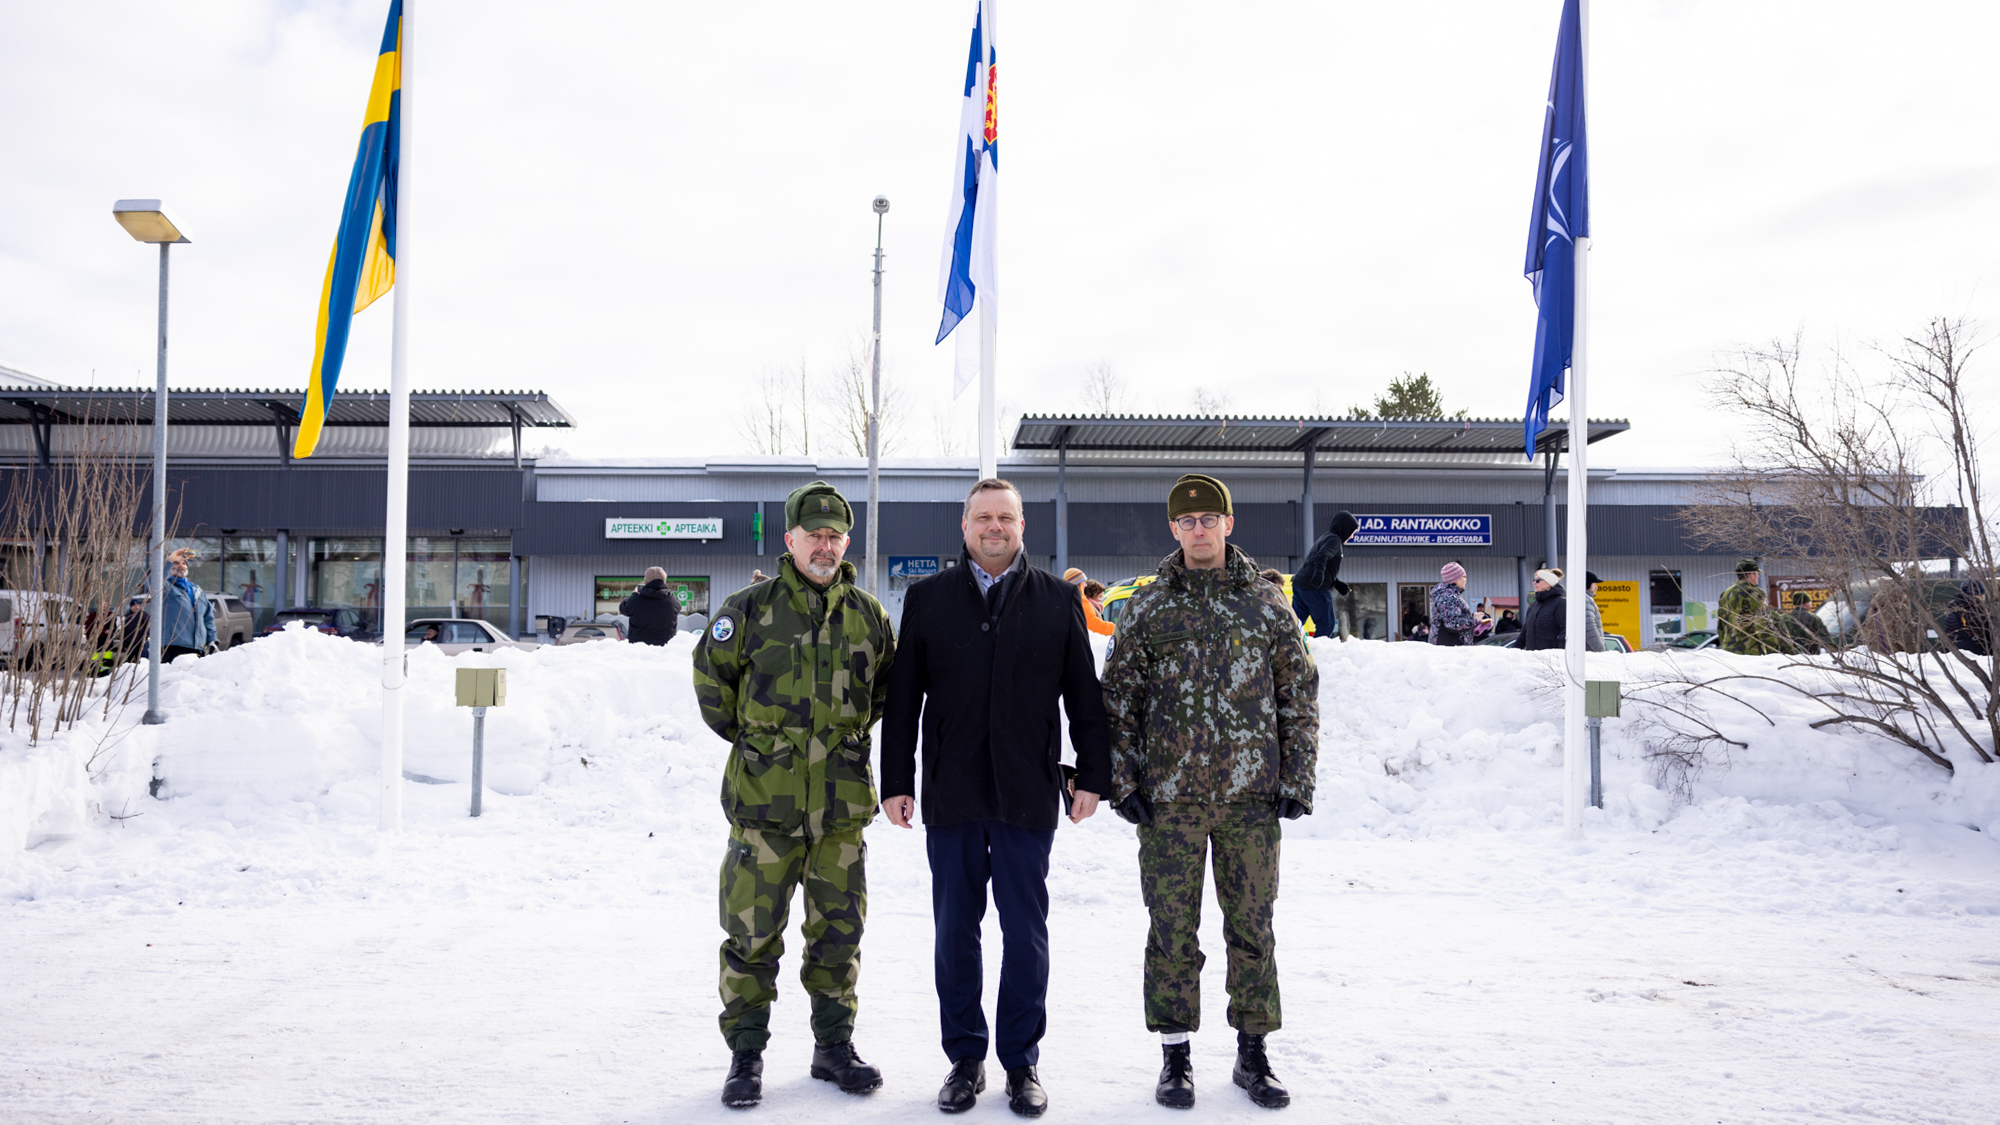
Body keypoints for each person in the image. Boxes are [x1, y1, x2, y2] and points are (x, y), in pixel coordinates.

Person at [882, 478, 1114, 1117]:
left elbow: (1083, 696)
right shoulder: (927, 599)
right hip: (952, 792)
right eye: (982, 517)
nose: (994, 527)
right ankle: (964, 1058)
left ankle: (1021, 1060)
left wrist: (1093, 775)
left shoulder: (1057, 599)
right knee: (955, 932)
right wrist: (896, 781)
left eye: (1005, 518)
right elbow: (903, 700)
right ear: (964, 527)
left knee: (1025, 932)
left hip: (1026, 791)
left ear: (1020, 526)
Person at [1100, 473, 1318, 1111]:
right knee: (1172, 928)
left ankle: (1253, 1053)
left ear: (1228, 523)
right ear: (1174, 529)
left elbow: (1298, 692)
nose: (1199, 530)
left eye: (1209, 519)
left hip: (1252, 798)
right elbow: (1118, 700)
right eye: (1187, 521)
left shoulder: (1267, 603)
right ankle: (1175, 1055)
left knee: (1253, 926)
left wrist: (1297, 777)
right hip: (1169, 800)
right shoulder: (1148, 605)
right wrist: (1124, 779)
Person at [692, 481, 897, 1109]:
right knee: (751, 937)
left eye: (835, 536)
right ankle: (745, 1055)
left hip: (840, 813)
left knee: (839, 936)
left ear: (846, 543)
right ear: (790, 539)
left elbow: (881, 694)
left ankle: (834, 1047)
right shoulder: (749, 609)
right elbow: (712, 688)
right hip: (764, 809)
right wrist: (764, 748)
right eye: (814, 535)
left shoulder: (869, 615)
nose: (825, 546)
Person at [1291, 510, 1359, 639]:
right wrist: (1319, 574)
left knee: (1294, 624)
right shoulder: (1334, 540)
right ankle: (1318, 650)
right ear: (1345, 528)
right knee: (1326, 624)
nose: (1351, 536)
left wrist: (1335, 582)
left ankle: (1284, 645)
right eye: (1352, 532)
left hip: (1301, 583)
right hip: (1315, 587)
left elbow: (1319, 561)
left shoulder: (1327, 537)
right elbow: (1321, 556)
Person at [158, 550, 216, 660]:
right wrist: (169, 561)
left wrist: (211, 640)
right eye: (176, 563)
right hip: (173, 647)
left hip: (197, 647)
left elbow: (208, 618)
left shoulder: (198, 591)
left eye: (184, 563)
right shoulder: (166, 588)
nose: (181, 565)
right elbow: (153, 583)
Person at [1718, 559, 1783, 655]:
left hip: (1728, 650)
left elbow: (1721, 625)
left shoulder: (1725, 593)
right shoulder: (1753, 593)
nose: (1758, 576)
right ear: (1751, 575)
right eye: (1757, 574)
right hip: (1749, 651)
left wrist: (1724, 646)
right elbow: (1762, 624)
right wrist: (1774, 651)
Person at [619, 566, 680, 646]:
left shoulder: (635, 600)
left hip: (639, 647)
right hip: (665, 648)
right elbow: (678, 608)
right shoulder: (672, 600)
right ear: (664, 580)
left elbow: (623, 608)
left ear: (646, 581)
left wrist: (634, 595)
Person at [1428, 562, 1476, 646]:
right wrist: (1474, 620)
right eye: (1464, 577)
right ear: (1456, 579)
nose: (1466, 580)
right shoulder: (1447, 597)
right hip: (1449, 648)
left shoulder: (1449, 596)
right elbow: (1453, 623)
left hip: (1451, 646)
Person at [1519, 569, 1567, 651]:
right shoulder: (1533, 606)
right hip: (1533, 656)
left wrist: (1560, 654)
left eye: (1537, 580)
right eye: (1534, 580)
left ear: (1548, 583)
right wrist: (1511, 653)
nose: (1534, 583)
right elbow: (1523, 635)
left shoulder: (1561, 603)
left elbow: (1565, 632)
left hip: (1552, 657)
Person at [1062, 567, 1116, 636]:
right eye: (1084, 582)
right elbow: (1093, 624)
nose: (1085, 585)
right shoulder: (1081, 600)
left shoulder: (1068, 600)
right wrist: (1115, 628)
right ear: (1078, 583)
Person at [1944, 579, 1990, 656]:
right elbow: (1992, 632)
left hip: (1953, 651)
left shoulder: (1954, 609)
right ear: (1981, 595)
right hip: (1975, 653)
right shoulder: (1978, 611)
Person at [1785, 591, 1833, 655]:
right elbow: (1825, 637)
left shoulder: (1784, 617)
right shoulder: (1813, 617)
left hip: (1789, 655)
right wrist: (1835, 651)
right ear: (1806, 604)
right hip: (1811, 654)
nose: (1810, 605)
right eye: (1810, 603)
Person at [1581, 571, 1607, 653]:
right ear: (1587, 583)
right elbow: (1589, 628)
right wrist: (1600, 650)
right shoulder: (1585, 600)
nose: (1596, 588)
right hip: (1589, 652)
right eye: (1595, 584)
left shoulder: (1582, 598)